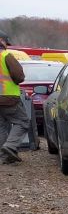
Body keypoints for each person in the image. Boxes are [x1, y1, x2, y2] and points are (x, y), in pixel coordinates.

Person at [0, 30, 28, 164]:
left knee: (1, 127)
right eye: (6, 42)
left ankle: (4, 157)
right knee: (22, 122)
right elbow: (19, 77)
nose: (7, 45)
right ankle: (10, 146)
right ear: (1, 41)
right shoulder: (6, 55)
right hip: (8, 98)